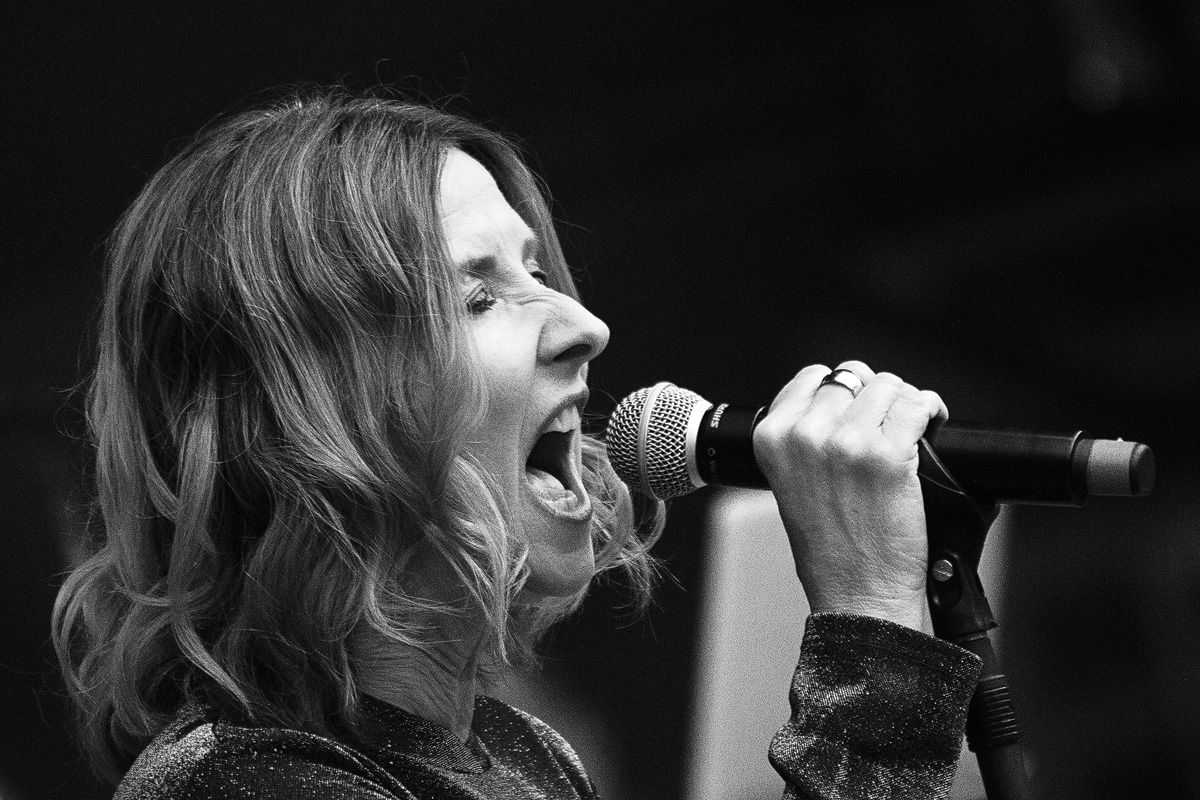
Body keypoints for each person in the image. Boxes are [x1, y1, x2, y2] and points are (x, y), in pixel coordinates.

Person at [53, 89, 982, 800]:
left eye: (537, 269)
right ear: (307, 411)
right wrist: (871, 636)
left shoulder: (516, 755)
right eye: (479, 294)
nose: (585, 324)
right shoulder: (239, 785)